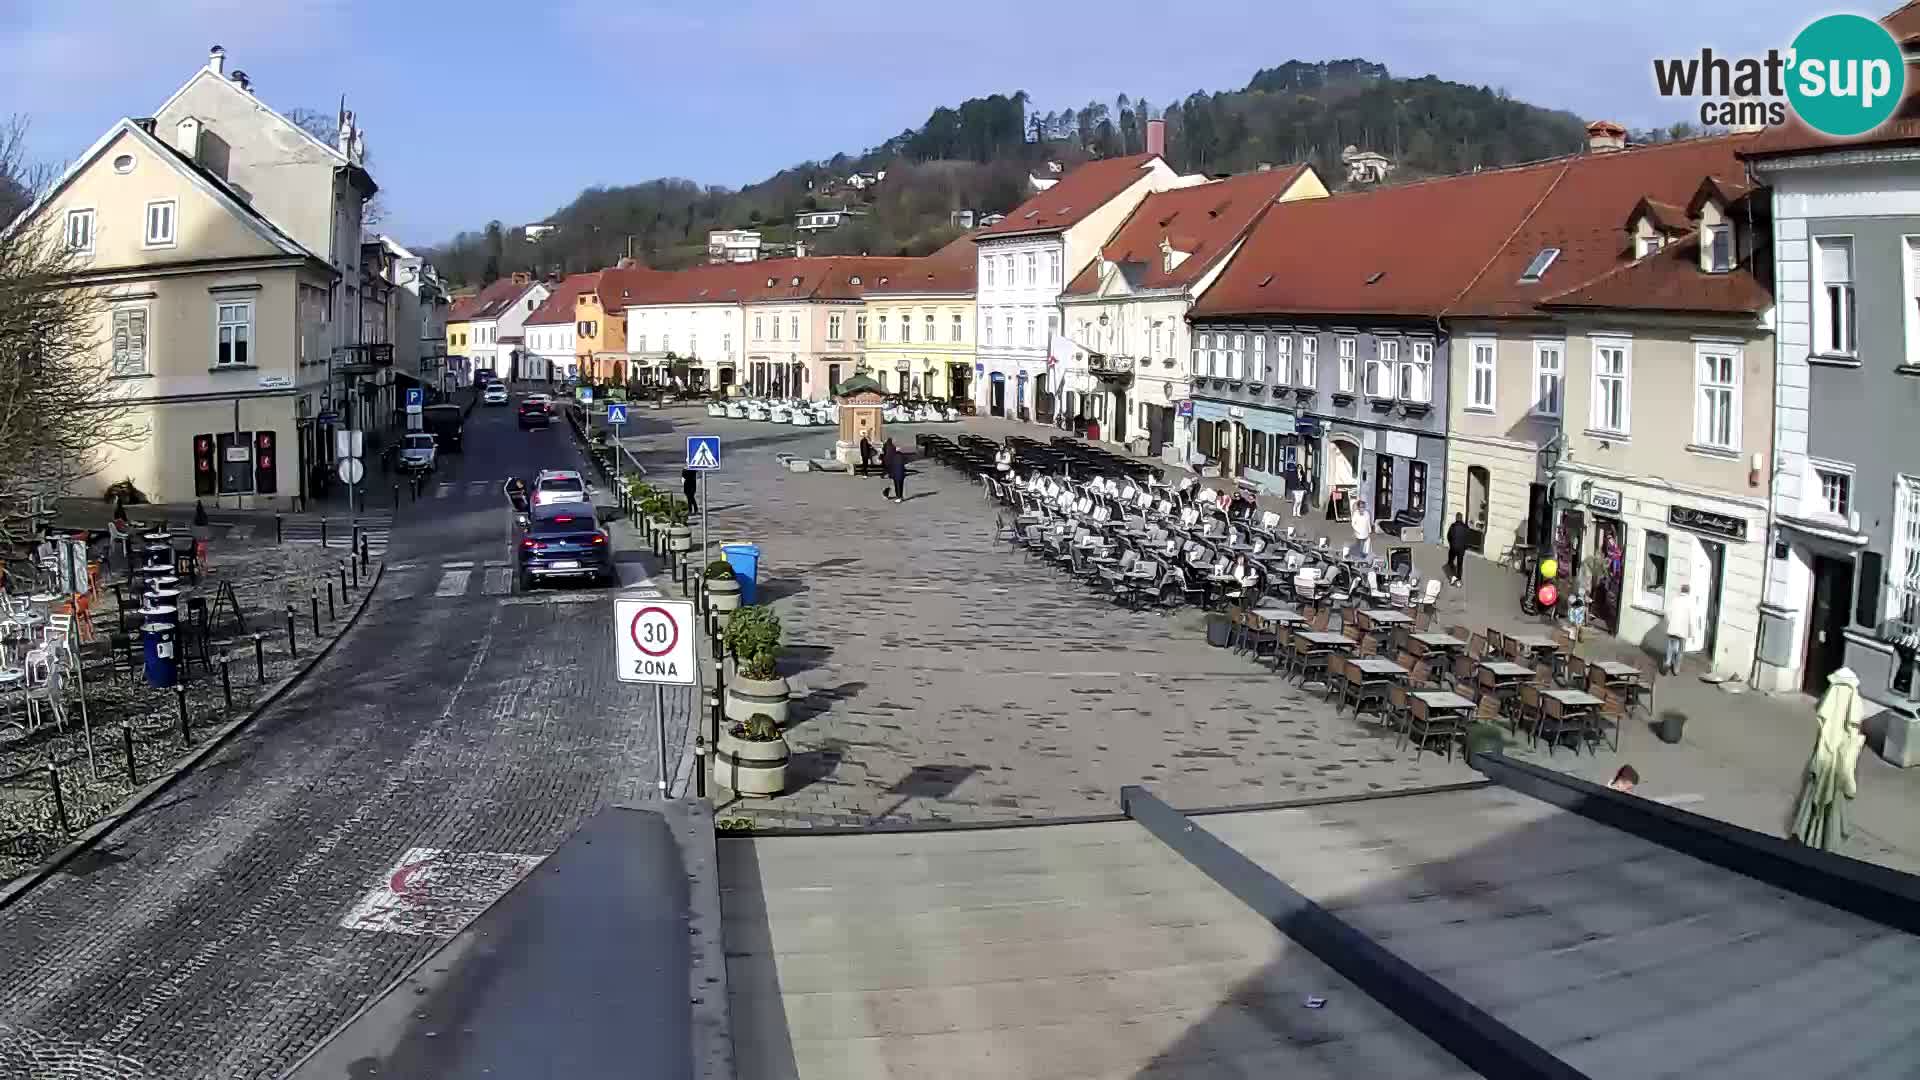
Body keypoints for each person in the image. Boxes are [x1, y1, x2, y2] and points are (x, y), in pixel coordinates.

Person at [1791, 667, 1865, 852]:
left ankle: (1810, 835)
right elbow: (1854, 727)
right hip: (1839, 761)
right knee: (1834, 805)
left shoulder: (1831, 696)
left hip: (1824, 757)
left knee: (1815, 797)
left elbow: (1822, 718)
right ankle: (1827, 842)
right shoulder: (1853, 700)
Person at [1662, 583, 1693, 675]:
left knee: (1670, 646)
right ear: (1689, 591)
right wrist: (1691, 632)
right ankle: (1676, 669)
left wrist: (1669, 623)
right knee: (1680, 651)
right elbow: (1691, 619)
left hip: (1673, 628)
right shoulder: (1690, 602)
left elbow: (1667, 613)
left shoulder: (1675, 599)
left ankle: (1667, 662)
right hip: (1683, 631)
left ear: (1681, 590)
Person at [1445, 513, 1470, 587]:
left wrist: (1451, 543)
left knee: (1450, 561)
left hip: (1453, 547)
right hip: (1461, 549)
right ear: (1461, 518)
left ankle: (1452, 576)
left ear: (1456, 518)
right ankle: (1458, 579)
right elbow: (1468, 538)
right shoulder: (1466, 527)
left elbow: (1448, 536)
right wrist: (1465, 547)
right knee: (1460, 564)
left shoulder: (1453, 526)